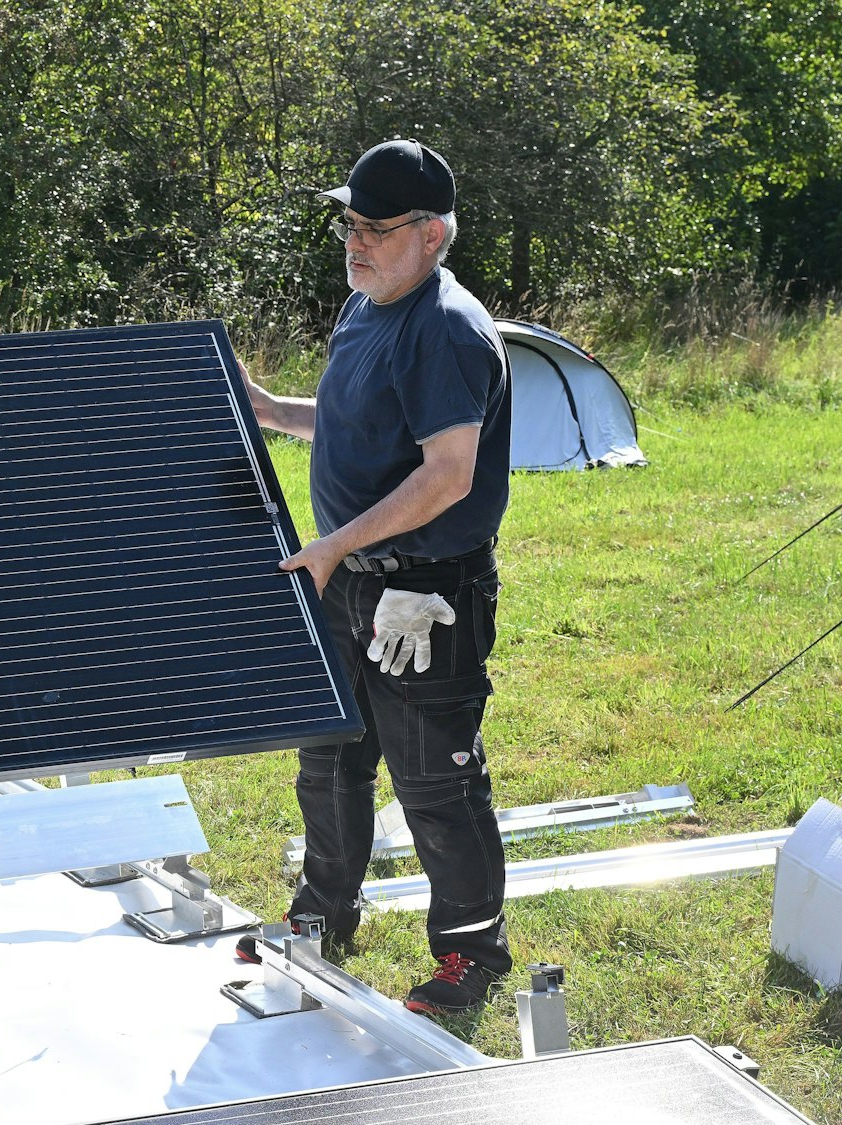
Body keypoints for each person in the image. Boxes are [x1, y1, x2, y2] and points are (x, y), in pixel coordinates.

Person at [240, 139, 514, 1016]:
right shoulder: (367, 305)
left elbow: (448, 472)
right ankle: (323, 912)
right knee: (328, 759)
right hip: (351, 577)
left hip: (425, 593)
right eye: (349, 225)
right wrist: (272, 409)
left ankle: (471, 953)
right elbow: (360, 421)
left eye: (376, 228)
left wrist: (330, 547)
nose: (356, 242)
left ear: (432, 235)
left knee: (434, 779)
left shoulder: (447, 327)